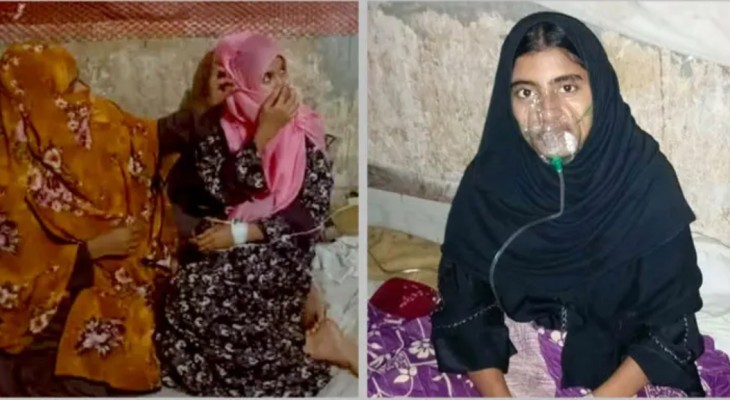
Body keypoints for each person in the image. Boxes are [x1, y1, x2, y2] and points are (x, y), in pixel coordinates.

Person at [366, 11, 730, 398]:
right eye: (527, 93)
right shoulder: (491, 179)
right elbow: (465, 308)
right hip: (510, 354)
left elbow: (671, 329)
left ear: (599, 89)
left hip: (620, 369)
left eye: (567, 87)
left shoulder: (645, 181)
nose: (548, 113)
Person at [155, 32, 337, 397]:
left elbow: (309, 217)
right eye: (267, 77)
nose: (280, 86)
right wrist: (259, 137)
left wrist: (241, 234)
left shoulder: (303, 133)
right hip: (228, 246)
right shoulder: (221, 128)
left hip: (279, 249)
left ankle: (312, 344)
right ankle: (302, 339)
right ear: (243, 83)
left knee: (225, 294)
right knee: (187, 295)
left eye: (282, 73)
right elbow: (221, 192)